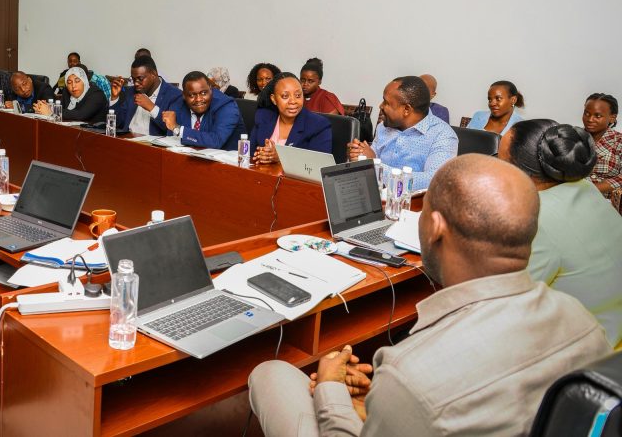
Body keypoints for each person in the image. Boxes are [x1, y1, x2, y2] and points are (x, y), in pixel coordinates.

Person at [248, 154, 611, 437]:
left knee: (271, 373)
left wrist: (330, 387)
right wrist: (381, 404)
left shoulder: (410, 373)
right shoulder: (580, 319)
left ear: (435, 227)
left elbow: (425, 394)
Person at [499, 119, 622, 348]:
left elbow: (507, 302)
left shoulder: (536, 217)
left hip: (582, 349)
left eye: (501, 162)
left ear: (522, 171)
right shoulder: (585, 188)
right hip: (613, 326)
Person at [347, 76, 457, 189]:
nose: (381, 106)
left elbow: (434, 181)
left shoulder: (443, 136)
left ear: (406, 110)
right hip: (375, 195)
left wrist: (374, 165)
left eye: (386, 102)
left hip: (412, 200)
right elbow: (371, 156)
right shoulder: (383, 127)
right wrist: (358, 155)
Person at [250, 74, 332, 163]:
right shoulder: (263, 116)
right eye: (285, 96)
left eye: (298, 95)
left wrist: (281, 158)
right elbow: (251, 154)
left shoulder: (318, 125)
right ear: (274, 99)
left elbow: (320, 163)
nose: (293, 101)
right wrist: (262, 155)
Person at [162, 71, 243, 150]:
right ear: (184, 96)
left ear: (211, 89)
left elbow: (216, 141)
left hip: (228, 158)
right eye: (192, 95)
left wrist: (178, 129)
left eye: (204, 93)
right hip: (189, 156)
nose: (198, 99)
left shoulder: (226, 106)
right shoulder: (178, 104)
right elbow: (171, 140)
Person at [108, 55, 182, 136]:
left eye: (140, 79)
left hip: (152, 143)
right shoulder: (131, 91)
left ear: (154, 74)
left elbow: (172, 130)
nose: (136, 83)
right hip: (127, 139)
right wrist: (114, 98)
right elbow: (119, 123)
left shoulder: (175, 95)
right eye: (133, 79)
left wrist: (152, 108)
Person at [583, 93, 622, 209]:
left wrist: (592, 189)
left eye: (598, 116)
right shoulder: (572, 137)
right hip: (573, 200)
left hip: (609, 204)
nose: (590, 119)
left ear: (612, 117)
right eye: (586, 113)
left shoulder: (619, 141)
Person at [35, 66, 108, 124]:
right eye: (69, 82)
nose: (73, 86)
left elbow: (81, 115)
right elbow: (62, 111)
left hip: (95, 134)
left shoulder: (97, 94)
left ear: (84, 81)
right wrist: (44, 107)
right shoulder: (67, 92)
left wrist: (51, 110)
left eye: (77, 81)